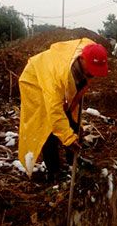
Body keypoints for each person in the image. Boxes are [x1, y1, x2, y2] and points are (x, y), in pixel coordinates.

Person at [18, 38, 108, 178]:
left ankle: (73, 160)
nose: (93, 74)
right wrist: (68, 138)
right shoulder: (57, 77)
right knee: (47, 125)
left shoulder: (90, 49)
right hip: (35, 79)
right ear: (82, 59)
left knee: (73, 119)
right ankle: (53, 170)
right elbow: (55, 112)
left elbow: (77, 92)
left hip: (58, 76)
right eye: (91, 70)